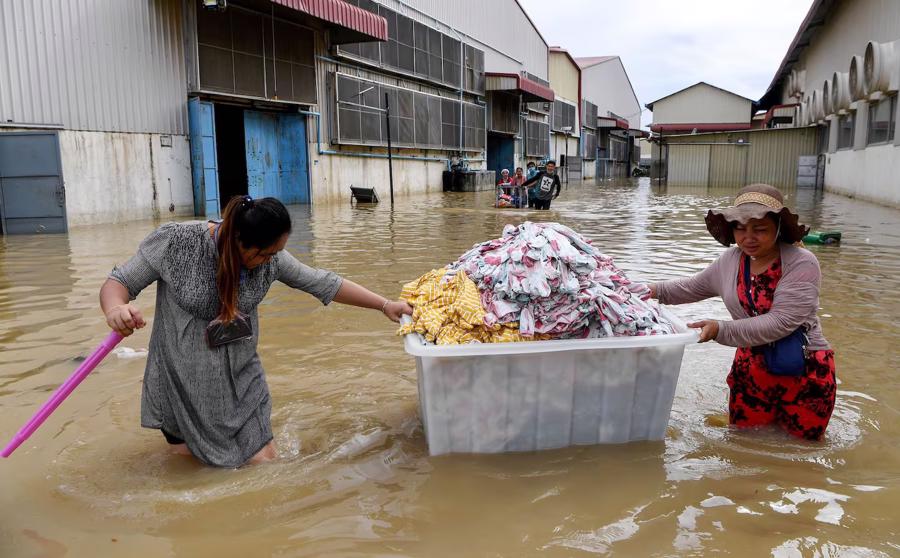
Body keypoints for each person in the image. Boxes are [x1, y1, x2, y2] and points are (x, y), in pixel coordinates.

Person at [100, 195, 413, 468]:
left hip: (241, 382)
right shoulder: (177, 243)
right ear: (238, 241)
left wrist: (384, 304)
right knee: (194, 475)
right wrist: (116, 310)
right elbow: (120, 283)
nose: (269, 261)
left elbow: (323, 282)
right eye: (263, 254)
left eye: (274, 254)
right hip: (180, 384)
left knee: (264, 464)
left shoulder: (270, 259)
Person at [649, 184, 836, 441]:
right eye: (740, 229)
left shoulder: (801, 262)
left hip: (802, 368)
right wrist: (648, 290)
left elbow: (781, 322)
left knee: (801, 451)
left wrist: (719, 329)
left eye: (759, 230)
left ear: (778, 228)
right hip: (751, 367)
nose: (748, 238)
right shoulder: (731, 261)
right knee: (744, 442)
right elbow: (691, 287)